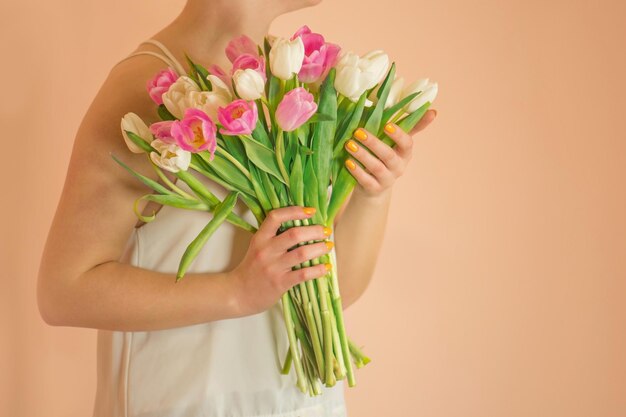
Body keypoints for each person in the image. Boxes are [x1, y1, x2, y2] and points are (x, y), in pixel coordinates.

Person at [36, 0, 438, 415]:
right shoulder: (140, 91)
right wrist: (237, 293)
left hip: (300, 404)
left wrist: (374, 190)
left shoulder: (288, 84)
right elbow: (63, 291)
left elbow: (332, 289)